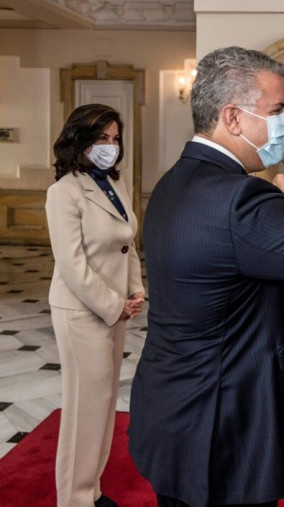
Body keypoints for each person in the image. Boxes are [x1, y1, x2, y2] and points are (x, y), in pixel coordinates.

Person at [128, 46, 284, 507]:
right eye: (277, 111)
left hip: (172, 407)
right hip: (225, 426)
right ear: (232, 117)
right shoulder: (241, 198)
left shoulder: (175, 180)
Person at [46, 104, 145, 507]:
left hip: (114, 307)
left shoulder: (113, 185)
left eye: (114, 138)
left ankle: (91, 489)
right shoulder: (63, 191)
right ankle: (74, 499)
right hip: (81, 311)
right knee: (83, 409)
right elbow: (71, 264)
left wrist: (135, 291)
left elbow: (127, 243)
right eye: (101, 138)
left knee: (103, 403)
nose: (109, 146)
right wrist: (112, 304)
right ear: (78, 140)